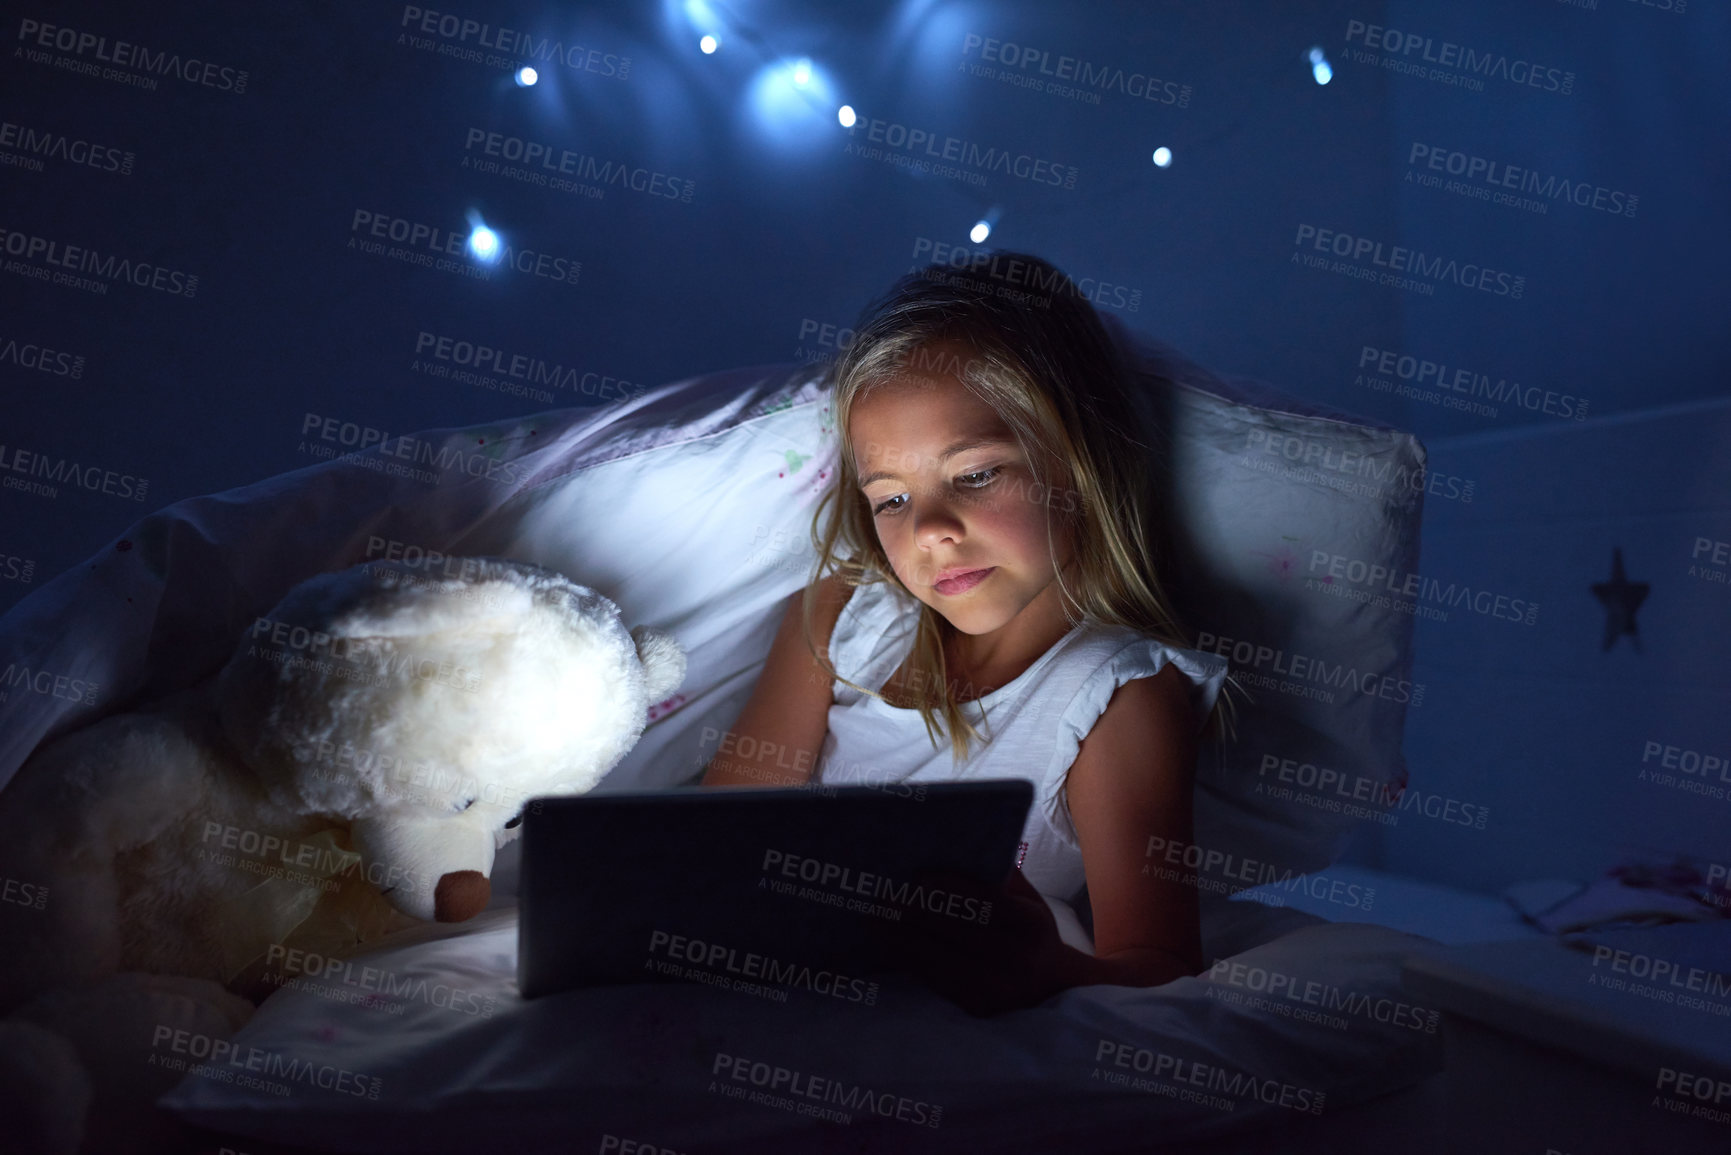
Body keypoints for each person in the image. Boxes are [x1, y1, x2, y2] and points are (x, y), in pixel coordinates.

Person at [701, 252, 1238, 1015]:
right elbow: (717, 836)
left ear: (1082, 462)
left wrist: (1048, 968)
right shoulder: (837, 615)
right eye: (890, 499)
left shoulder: (1115, 692)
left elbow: (1159, 964)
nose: (930, 531)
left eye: (976, 474)